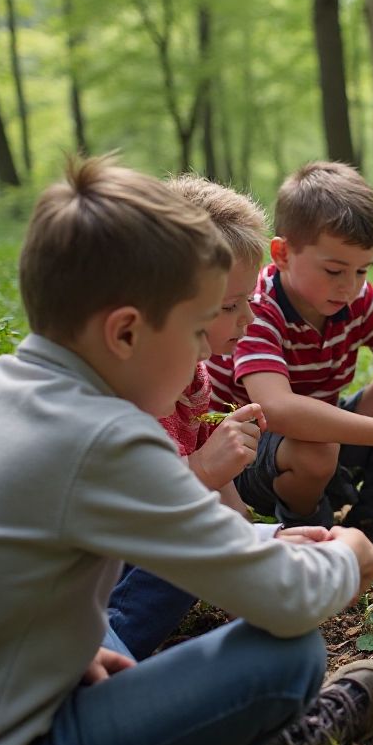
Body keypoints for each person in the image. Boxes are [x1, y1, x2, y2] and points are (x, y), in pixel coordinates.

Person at [0, 157, 373, 745]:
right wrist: (349, 557)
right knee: (289, 657)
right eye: (195, 333)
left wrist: (68, 647)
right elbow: (284, 601)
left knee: (107, 634)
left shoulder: (11, 386)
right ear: (125, 332)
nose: (203, 362)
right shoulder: (108, 438)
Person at [207, 161, 373, 564]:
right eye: (335, 270)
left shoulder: (355, 298)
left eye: (361, 270)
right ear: (283, 253)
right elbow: (278, 410)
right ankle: (310, 529)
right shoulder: (255, 306)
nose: (349, 285)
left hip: (324, 439)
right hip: (246, 460)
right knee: (317, 448)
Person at [106, 174, 271, 659]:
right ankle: (116, 642)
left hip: (144, 541)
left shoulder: (193, 376)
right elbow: (128, 507)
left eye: (249, 300)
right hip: (99, 561)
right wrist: (202, 470)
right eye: (229, 306)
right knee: (189, 542)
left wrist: (254, 542)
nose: (248, 319)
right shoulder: (124, 391)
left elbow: (211, 481)